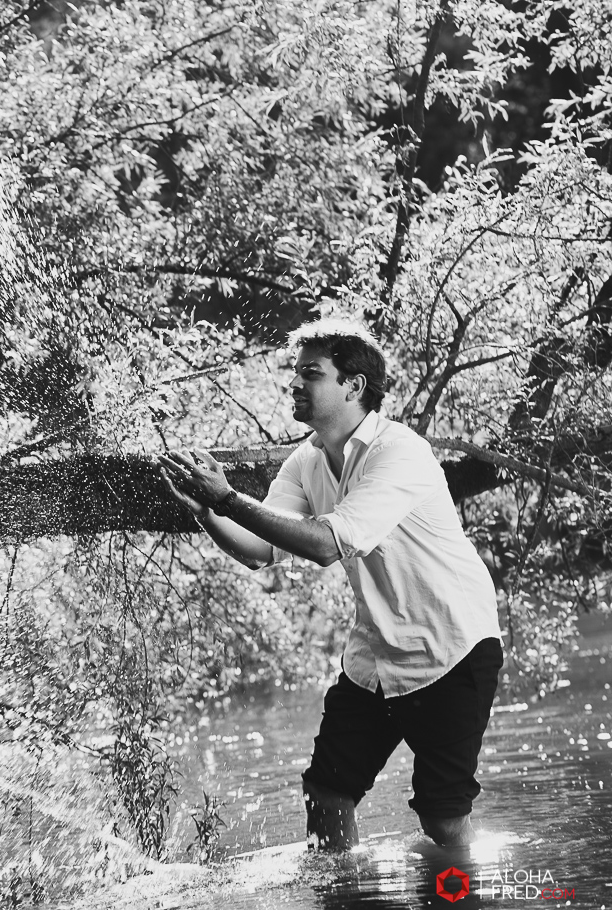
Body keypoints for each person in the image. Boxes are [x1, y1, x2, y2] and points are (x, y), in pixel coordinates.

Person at [158, 318, 503, 850]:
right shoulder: (306, 460)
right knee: (326, 793)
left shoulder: (399, 452)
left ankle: (469, 890)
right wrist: (208, 512)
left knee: (441, 818)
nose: (295, 384)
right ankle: (347, 891)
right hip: (376, 658)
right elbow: (260, 551)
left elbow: (324, 544)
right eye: (295, 373)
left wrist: (228, 499)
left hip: (452, 648)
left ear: (353, 385)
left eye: (310, 373)